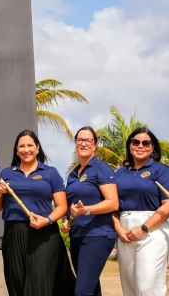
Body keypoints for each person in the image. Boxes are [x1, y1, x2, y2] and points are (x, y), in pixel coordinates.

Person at [0, 129, 75, 296]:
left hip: (44, 234)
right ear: (16, 149)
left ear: (37, 148)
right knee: (16, 283)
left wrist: (48, 220)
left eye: (30, 145)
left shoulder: (50, 173)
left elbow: (62, 206)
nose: (26, 150)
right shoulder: (7, 174)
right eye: (21, 146)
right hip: (14, 234)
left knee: (39, 286)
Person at [113, 127, 169, 296]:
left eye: (146, 143)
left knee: (148, 288)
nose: (140, 146)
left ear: (152, 147)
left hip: (152, 229)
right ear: (130, 146)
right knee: (131, 289)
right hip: (124, 231)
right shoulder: (119, 174)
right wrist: (119, 230)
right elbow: (112, 206)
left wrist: (143, 228)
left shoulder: (161, 170)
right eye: (136, 142)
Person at [61, 126, 119, 296]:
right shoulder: (72, 174)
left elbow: (113, 203)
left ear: (95, 145)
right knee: (91, 289)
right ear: (75, 143)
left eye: (88, 140)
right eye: (80, 140)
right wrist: (67, 221)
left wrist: (86, 210)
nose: (84, 143)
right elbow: (72, 206)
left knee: (82, 291)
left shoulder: (101, 168)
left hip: (97, 236)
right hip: (77, 236)